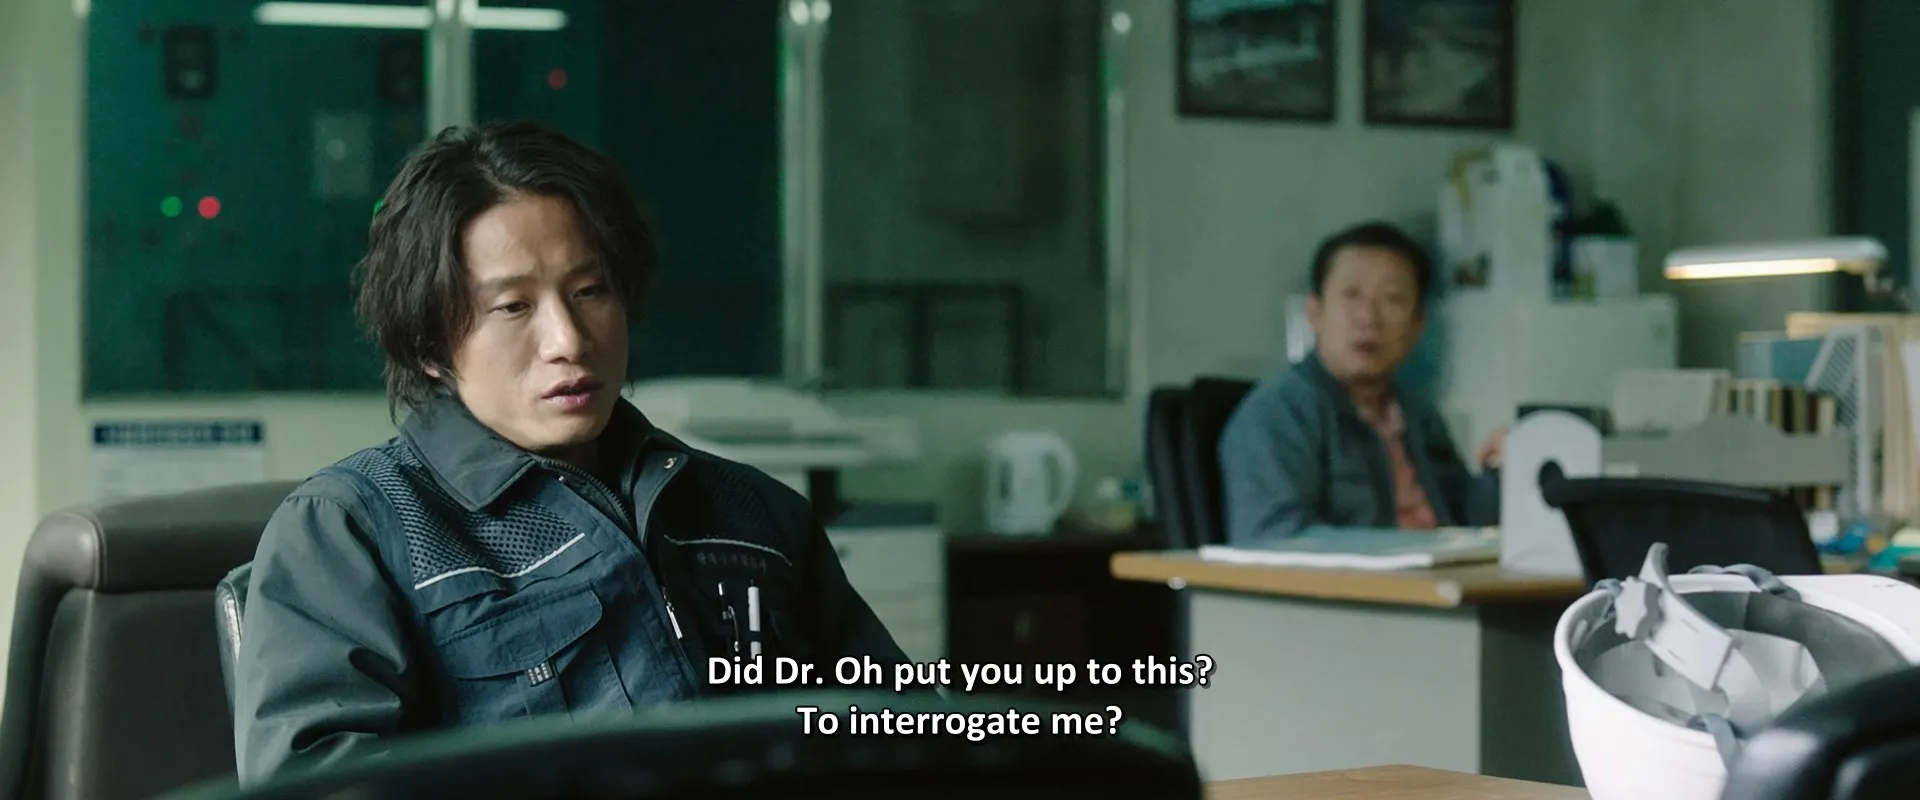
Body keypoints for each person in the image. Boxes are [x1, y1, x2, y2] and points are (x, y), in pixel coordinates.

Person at [231, 121, 908, 782]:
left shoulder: (752, 514)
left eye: (589, 292)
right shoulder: (354, 532)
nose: (569, 340)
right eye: (513, 306)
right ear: (429, 343)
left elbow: (899, 732)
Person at [1217, 221, 1502, 543]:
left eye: (1392, 299)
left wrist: (1503, 472)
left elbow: (1466, 521)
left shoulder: (1417, 414)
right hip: (1372, 576)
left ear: (1417, 325)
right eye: (1351, 295)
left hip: (1446, 572)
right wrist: (1406, 551)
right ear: (1315, 313)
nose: (1368, 317)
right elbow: (1274, 540)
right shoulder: (1278, 414)